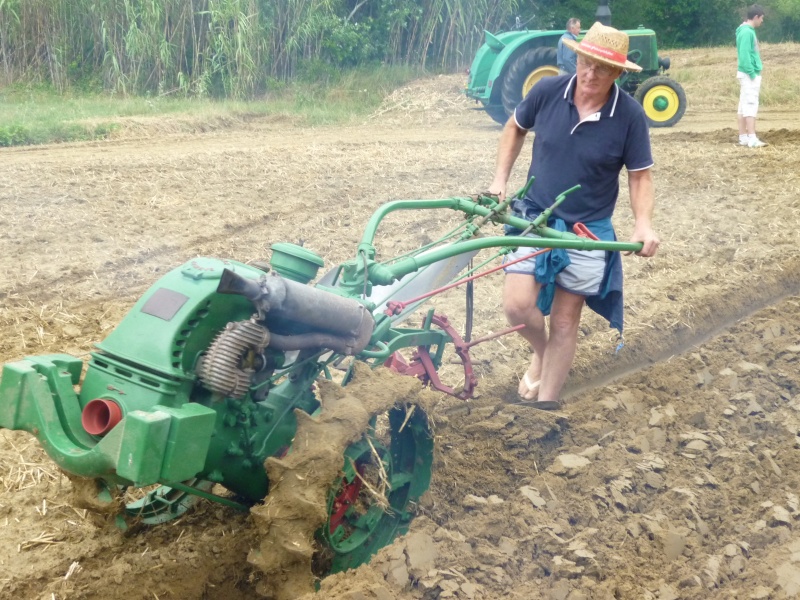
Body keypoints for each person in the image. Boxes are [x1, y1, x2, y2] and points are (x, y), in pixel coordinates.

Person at [487, 22, 660, 410]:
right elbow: (515, 127)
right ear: (577, 58)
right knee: (516, 305)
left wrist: (642, 223)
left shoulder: (629, 115)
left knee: (566, 321)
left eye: (602, 68)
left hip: (587, 229)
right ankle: (543, 353)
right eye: (586, 62)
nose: (590, 74)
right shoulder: (548, 91)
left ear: (617, 73)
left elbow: (639, 175)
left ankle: (546, 405)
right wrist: (500, 180)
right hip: (535, 217)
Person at [736, 4, 766, 147]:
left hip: (745, 73)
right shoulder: (747, 32)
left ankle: (743, 137)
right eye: (761, 18)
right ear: (756, 17)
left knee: (743, 106)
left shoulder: (744, 30)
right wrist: (753, 73)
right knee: (751, 105)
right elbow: (745, 55)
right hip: (749, 74)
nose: (762, 21)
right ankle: (752, 138)